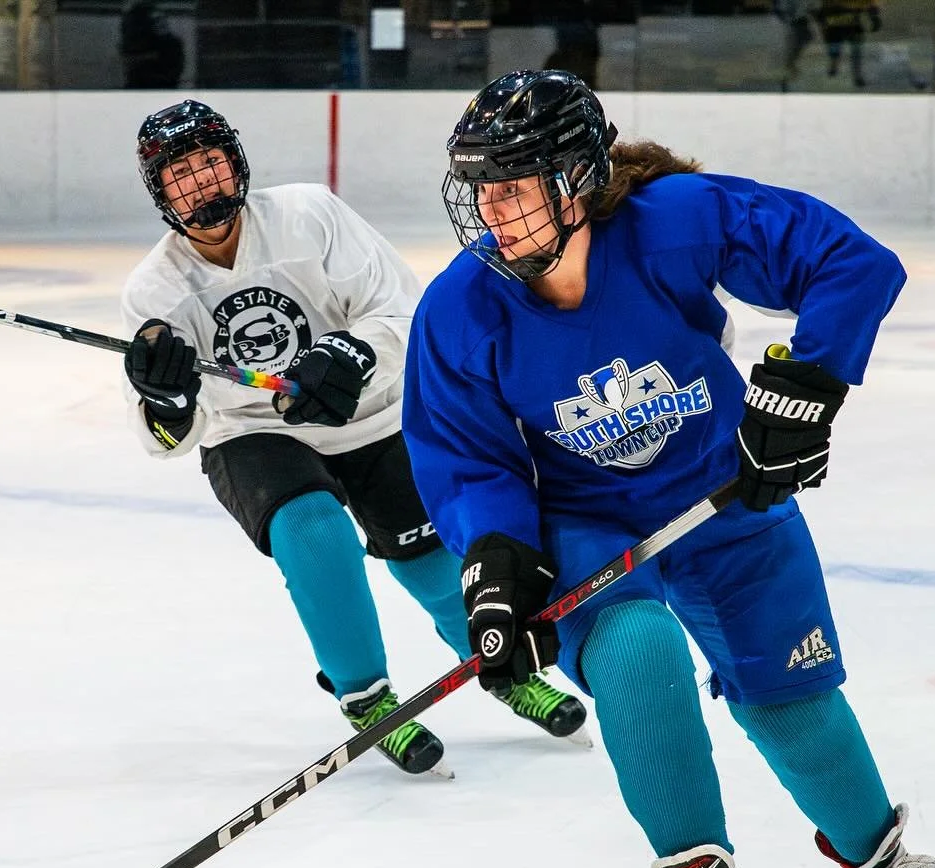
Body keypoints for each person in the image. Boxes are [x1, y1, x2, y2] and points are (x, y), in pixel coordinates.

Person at [402, 69, 935, 868]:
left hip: (725, 489)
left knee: (793, 698)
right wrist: (497, 563)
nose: (493, 212)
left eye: (515, 186)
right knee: (638, 651)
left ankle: (880, 861)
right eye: (481, 189)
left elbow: (850, 262)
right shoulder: (459, 309)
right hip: (588, 523)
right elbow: (467, 460)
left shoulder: (673, 222)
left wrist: (807, 387)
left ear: (577, 178)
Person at [119, 100, 589, 779]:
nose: (201, 183)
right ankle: (365, 696)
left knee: (430, 560)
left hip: (369, 414)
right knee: (313, 532)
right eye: (181, 174)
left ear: (236, 163)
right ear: (160, 192)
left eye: (210, 163)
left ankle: (496, 662)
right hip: (252, 430)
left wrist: (352, 353)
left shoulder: (309, 215)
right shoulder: (154, 291)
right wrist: (167, 398)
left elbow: (401, 311)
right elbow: (164, 439)